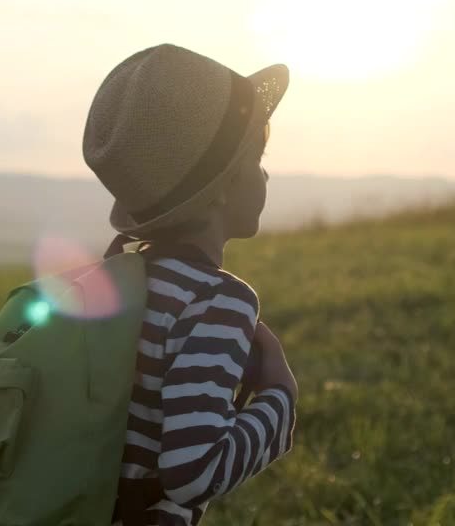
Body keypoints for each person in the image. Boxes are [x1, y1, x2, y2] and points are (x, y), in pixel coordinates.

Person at [82, 44, 300, 526]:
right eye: (258, 159)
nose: (265, 173)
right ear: (223, 186)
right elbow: (192, 473)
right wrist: (279, 398)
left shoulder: (113, 282)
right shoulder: (215, 301)